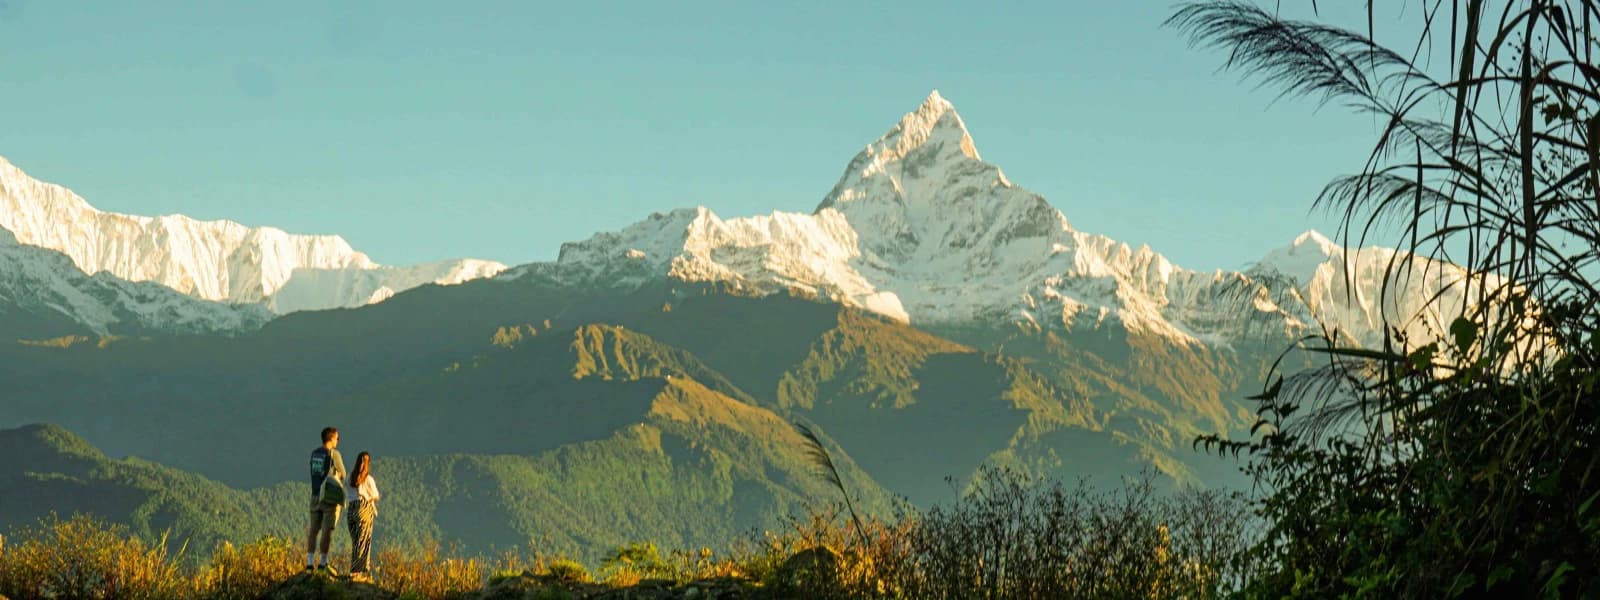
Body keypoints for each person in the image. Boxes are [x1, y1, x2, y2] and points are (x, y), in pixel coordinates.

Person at [306, 426, 346, 572]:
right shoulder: (334, 454)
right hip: (328, 497)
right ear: (331, 438)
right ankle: (323, 562)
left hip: (315, 495)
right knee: (326, 530)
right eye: (337, 438)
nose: (338, 440)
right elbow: (343, 473)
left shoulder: (314, 453)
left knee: (313, 530)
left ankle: (309, 562)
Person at [345, 451, 381, 582]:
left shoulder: (349, 477)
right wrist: (370, 496)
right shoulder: (368, 479)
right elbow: (376, 495)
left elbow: (347, 489)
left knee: (356, 541)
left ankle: (356, 569)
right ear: (368, 464)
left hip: (351, 510)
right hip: (364, 508)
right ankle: (357, 571)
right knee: (364, 541)